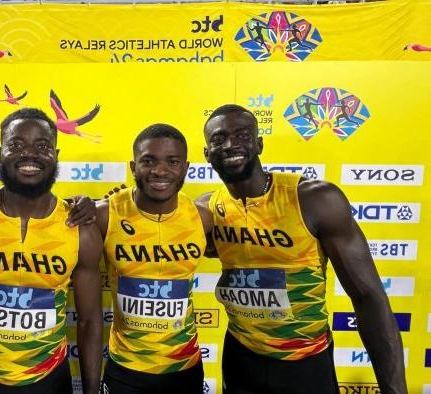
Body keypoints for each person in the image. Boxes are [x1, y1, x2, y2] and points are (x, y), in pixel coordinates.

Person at [201, 104, 407, 394]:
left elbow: (368, 296)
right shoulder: (207, 209)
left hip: (306, 362)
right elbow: (155, 234)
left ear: (259, 143)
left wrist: (394, 389)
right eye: (219, 139)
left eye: (243, 135)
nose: (231, 144)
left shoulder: (315, 199)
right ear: (206, 154)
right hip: (240, 358)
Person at [0, 108, 103, 394]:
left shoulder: (80, 228)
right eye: (16, 145)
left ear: (56, 155)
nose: (30, 154)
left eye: (42, 146)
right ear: (0, 153)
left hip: (50, 380)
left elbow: (89, 320)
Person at [95, 124, 212, 394]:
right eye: (148, 161)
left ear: (185, 168)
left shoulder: (202, 217)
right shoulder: (107, 214)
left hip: (184, 367)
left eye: (172, 162)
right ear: (133, 167)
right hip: (126, 367)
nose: (160, 171)